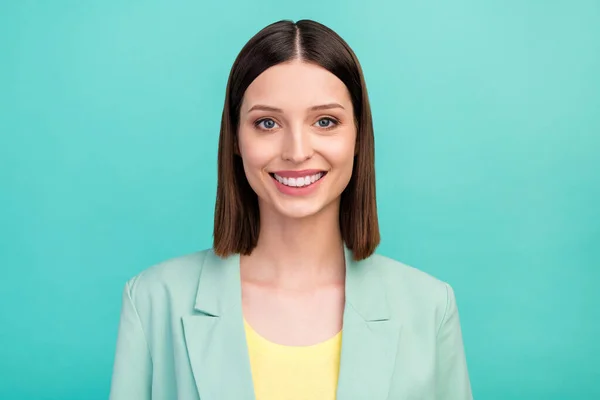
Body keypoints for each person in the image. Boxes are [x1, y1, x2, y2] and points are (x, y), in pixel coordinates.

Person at [109, 19, 473, 400]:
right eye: (267, 123)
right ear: (235, 138)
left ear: (358, 136)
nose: (296, 151)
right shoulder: (152, 301)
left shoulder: (430, 306)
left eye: (325, 121)